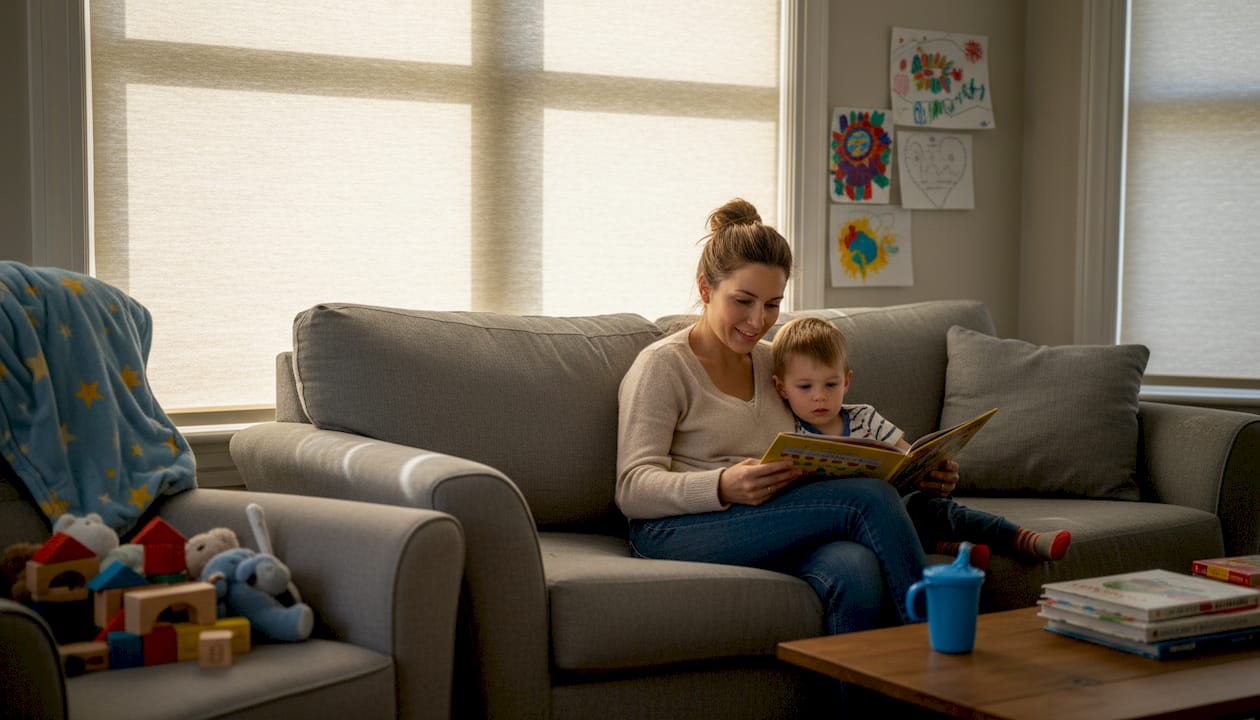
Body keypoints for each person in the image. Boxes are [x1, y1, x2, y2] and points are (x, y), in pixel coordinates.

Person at [616, 198, 936, 634]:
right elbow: (632, 488)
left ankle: (863, 702)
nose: (757, 321)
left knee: (855, 568)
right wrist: (723, 484)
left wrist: (913, 469)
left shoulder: (776, 364)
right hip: (675, 529)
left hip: (770, 518)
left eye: (771, 304)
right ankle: (940, 659)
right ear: (706, 289)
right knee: (870, 501)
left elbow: (824, 429)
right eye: (743, 301)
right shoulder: (663, 367)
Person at [769, 316, 1072, 570]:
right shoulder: (791, 433)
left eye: (830, 384)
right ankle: (955, 546)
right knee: (880, 526)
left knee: (928, 506)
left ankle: (1020, 537)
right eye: (805, 386)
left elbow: (906, 454)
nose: (819, 396)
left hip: (900, 506)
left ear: (847, 381)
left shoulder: (863, 416)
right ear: (782, 388)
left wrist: (929, 465)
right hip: (842, 523)